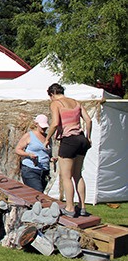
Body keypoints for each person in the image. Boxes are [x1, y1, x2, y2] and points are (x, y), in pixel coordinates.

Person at [44, 83, 93, 218]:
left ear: (52, 94)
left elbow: (54, 123)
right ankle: (82, 207)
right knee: (78, 175)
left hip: (69, 140)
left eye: (50, 97)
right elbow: (88, 120)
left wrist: (48, 138)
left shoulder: (56, 104)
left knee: (66, 176)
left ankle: (70, 207)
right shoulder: (76, 102)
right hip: (82, 139)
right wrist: (88, 137)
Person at [15, 114, 56, 193]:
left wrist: (51, 158)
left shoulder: (48, 138)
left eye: (45, 127)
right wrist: (29, 154)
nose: (44, 129)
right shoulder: (29, 135)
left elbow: (47, 153)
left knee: (38, 194)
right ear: (36, 124)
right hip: (30, 169)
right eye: (42, 127)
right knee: (38, 193)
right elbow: (17, 149)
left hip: (44, 171)